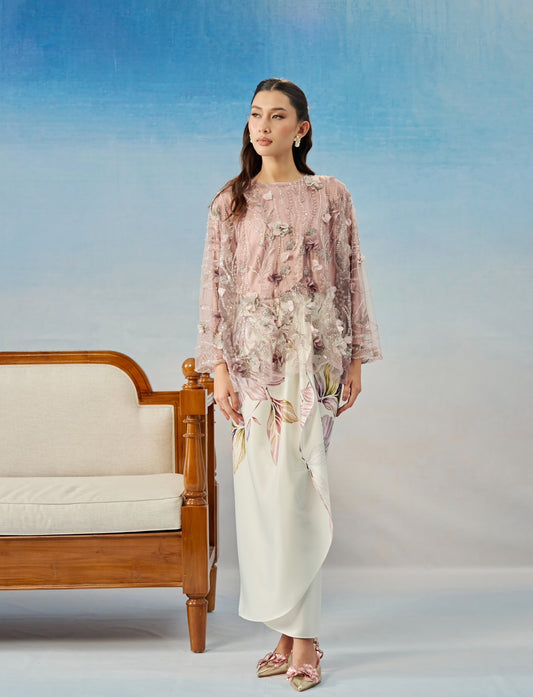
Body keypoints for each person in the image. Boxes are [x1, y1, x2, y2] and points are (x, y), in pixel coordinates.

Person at [196, 78, 382, 691]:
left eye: (278, 116)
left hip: (313, 362)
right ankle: (285, 630)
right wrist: (218, 368)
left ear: (301, 129)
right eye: (256, 115)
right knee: (262, 503)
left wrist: (355, 358)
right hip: (252, 368)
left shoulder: (330, 194)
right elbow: (214, 287)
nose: (263, 126)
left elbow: (351, 274)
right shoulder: (230, 202)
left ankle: (306, 640)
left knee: (299, 494)